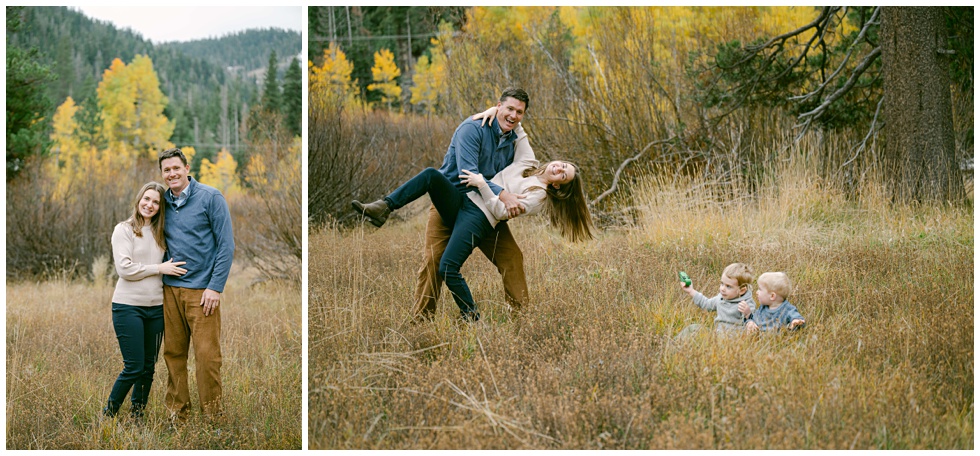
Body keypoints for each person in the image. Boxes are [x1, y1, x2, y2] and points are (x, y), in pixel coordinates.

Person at [354, 88, 533, 321]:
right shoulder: (472, 128)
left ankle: (522, 319)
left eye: (519, 112)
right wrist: (502, 194)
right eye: (509, 108)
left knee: (512, 257)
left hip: (483, 210)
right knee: (434, 260)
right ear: (498, 105)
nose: (514, 115)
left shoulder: (514, 140)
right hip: (451, 200)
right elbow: (468, 173)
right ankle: (421, 322)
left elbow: (523, 146)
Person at [158, 147, 235, 422]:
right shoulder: (161, 202)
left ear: (187, 168)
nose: (172, 174)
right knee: (173, 355)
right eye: (166, 170)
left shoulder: (211, 197)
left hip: (202, 292)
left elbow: (226, 246)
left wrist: (215, 287)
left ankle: (213, 418)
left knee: (207, 357)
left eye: (176, 168)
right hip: (169, 291)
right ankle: (178, 415)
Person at [104, 182, 187, 420]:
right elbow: (125, 269)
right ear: (139, 199)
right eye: (146, 199)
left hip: (156, 308)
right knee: (133, 367)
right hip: (128, 306)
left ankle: (137, 417)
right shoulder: (124, 229)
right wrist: (159, 268)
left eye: (156, 202)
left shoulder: (162, 232)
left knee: (148, 369)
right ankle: (108, 415)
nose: (149, 205)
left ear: (161, 208)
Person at [678, 262, 756, 336]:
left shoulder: (746, 304)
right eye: (722, 284)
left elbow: (755, 322)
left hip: (733, 340)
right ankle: (673, 343)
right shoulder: (721, 298)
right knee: (693, 328)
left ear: (742, 290)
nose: (722, 289)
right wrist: (691, 291)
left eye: (728, 286)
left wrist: (748, 315)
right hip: (716, 336)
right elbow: (706, 304)